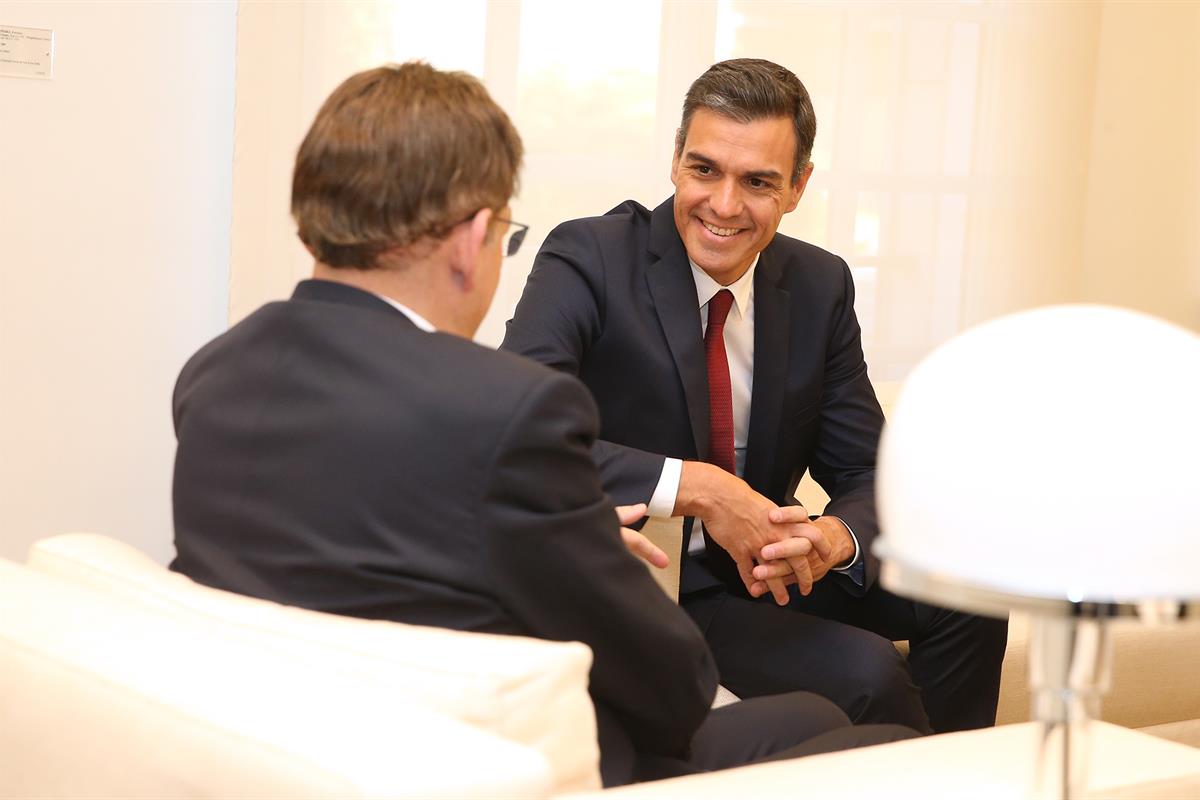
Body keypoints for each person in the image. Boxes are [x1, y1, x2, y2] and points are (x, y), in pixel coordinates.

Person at [169, 62, 914, 787]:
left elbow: (365, 539)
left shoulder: (214, 374)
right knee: (861, 735)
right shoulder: (500, 406)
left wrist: (550, 537)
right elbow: (675, 682)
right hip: (497, 760)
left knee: (827, 702)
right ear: (471, 238)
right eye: (504, 235)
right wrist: (585, 548)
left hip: (293, 747)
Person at [502, 58, 1008, 735]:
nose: (725, 205)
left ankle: (967, 776)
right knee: (869, 674)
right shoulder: (588, 258)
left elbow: (866, 472)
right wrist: (704, 489)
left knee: (971, 591)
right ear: (676, 158)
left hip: (777, 570)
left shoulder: (819, 283)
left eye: (759, 181)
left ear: (798, 186)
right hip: (660, 584)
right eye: (705, 169)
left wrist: (834, 538)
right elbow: (519, 432)